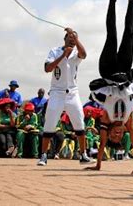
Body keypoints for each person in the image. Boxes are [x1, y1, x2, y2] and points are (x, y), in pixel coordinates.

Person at [85, 0, 133, 173]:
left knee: (112, 35)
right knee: (130, 33)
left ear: (109, 133)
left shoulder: (106, 119)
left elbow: (101, 145)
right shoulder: (128, 121)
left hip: (108, 72)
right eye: (120, 137)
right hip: (124, 74)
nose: (118, 135)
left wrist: (98, 164)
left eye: (114, 137)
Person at [37, 27, 95, 166]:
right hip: (57, 92)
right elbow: (47, 68)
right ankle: (43, 156)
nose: (72, 42)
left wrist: (76, 38)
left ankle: (83, 155)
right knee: (49, 125)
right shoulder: (55, 51)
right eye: (69, 39)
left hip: (72, 93)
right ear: (64, 39)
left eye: (74, 40)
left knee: (79, 125)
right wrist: (63, 55)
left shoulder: (76, 53)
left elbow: (84, 54)